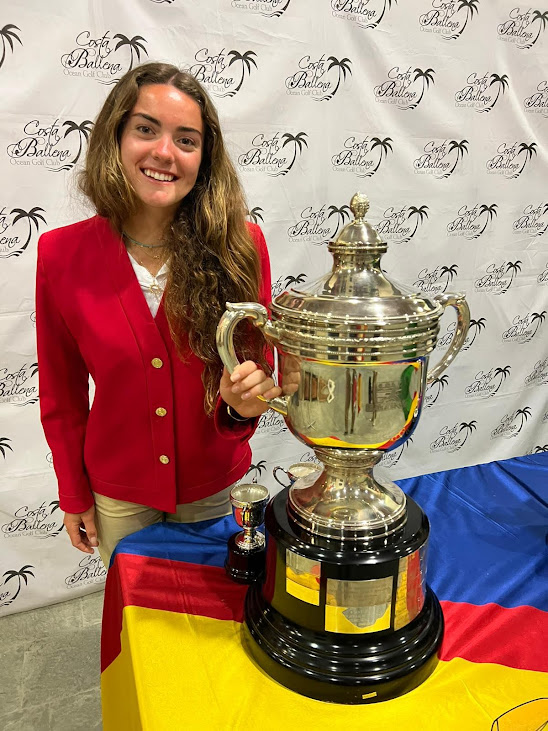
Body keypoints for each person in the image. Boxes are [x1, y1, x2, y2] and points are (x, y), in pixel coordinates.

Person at [36, 62, 281, 568]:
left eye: (186, 140)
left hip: (212, 488)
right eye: (146, 129)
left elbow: (256, 374)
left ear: (204, 157)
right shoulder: (60, 255)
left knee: (214, 609)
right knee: (138, 610)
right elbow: (61, 392)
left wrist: (241, 405)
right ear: (115, 137)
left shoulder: (242, 246)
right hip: (117, 494)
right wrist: (73, 492)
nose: (165, 152)